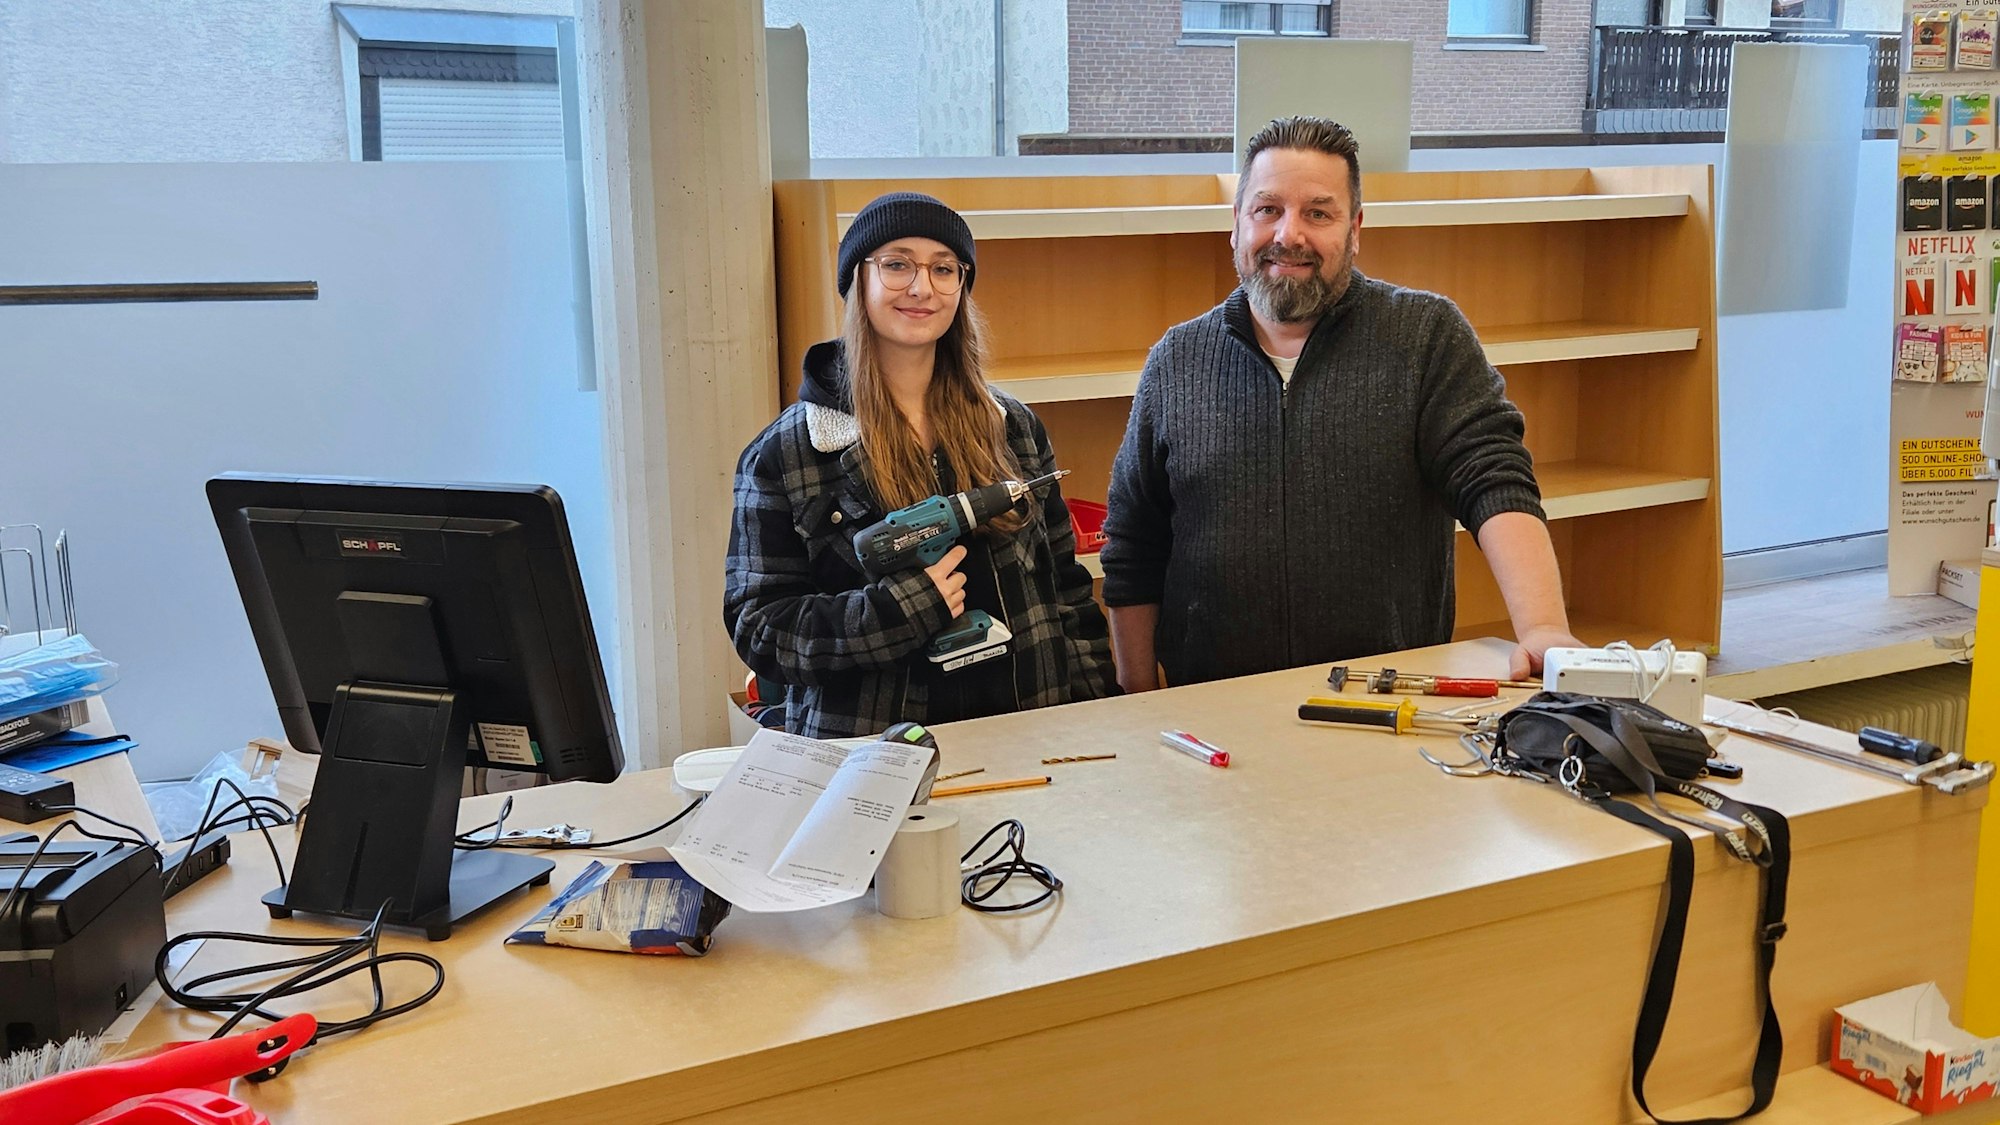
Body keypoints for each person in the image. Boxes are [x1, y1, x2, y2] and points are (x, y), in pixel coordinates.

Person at [1100, 116, 1582, 691]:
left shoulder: (1425, 336)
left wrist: (1543, 627)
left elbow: (1494, 481)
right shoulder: (1176, 360)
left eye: (1318, 213)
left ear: (1355, 229)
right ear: (1236, 223)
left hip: (1386, 701)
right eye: (1268, 209)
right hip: (1215, 707)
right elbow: (1134, 545)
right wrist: (1136, 697)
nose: (1289, 235)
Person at [726, 192, 1116, 737]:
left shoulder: (1014, 428)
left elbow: (1068, 593)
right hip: (873, 754)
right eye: (897, 264)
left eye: (943, 269)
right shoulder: (789, 453)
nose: (922, 287)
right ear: (857, 281)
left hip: (1033, 735)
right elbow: (759, 628)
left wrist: (1099, 709)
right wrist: (894, 612)